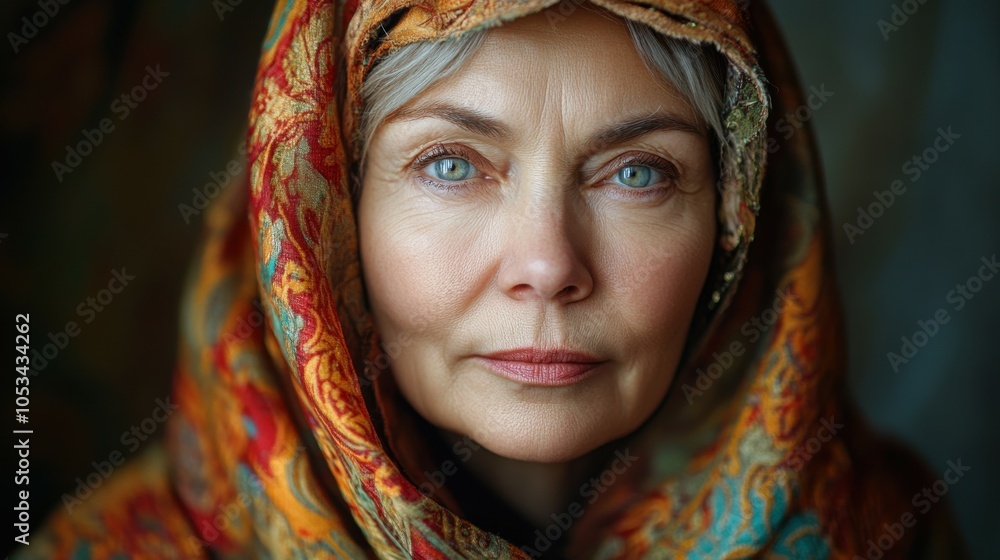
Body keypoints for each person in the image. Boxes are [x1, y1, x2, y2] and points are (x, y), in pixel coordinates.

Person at [18, 0, 967, 558]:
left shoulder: (891, 534)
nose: (548, 266)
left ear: (736, 219)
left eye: (638, 172)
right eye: (451, 164)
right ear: (326, 217)